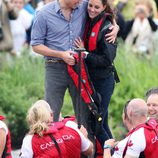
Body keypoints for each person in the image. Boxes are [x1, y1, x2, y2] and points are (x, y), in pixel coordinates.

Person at [31, 0, 119, 141]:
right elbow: (36, 45)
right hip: (55, 67)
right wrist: (61, 54)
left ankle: (89, 154)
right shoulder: (43, 14)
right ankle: (52, 151)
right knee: (50, 114)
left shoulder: (83, 5)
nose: (80, 2)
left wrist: (115, 26)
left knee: (85, 118)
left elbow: (105, 11)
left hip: (80, 68)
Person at [74, 0, 118, 147]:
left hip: (104, 81)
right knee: (102, 123)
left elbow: (107, 60)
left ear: (104, 7)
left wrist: (84, 53)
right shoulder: (90, 20)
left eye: (96, 7)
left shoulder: (108, 28)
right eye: (90, 6)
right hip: (93, 80)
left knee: (96, 123)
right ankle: (114, 153)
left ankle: (111, 153)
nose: (92, 10)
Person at [20, 100, 93, 158]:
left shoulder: (29, 140)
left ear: (31, 119)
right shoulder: (71, 126)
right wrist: (84, 136)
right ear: (51, 115)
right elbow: (90, 151)